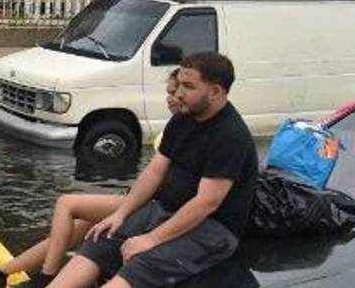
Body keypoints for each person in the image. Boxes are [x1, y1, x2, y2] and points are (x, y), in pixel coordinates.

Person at [47, 52, 257, 288]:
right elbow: (154, 172)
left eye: (188, 86)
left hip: (211, 230)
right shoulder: (183, 119)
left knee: (142, 263)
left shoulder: (230, 136)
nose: (178, 94)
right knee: (102, 239)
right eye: (179, 85)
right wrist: (120, 214)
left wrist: (151, 239)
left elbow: (206, 203)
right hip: (164, 209)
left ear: (216, 92)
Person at [0, 70, 184, 288]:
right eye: (169, 92)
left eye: (176, 92)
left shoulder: (184, 130)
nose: (171, 98)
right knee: (76, 228)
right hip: (141, 198)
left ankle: (47, 276)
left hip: (150, 205)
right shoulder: (178, 127)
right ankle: (2, 272)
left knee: (67, 204)